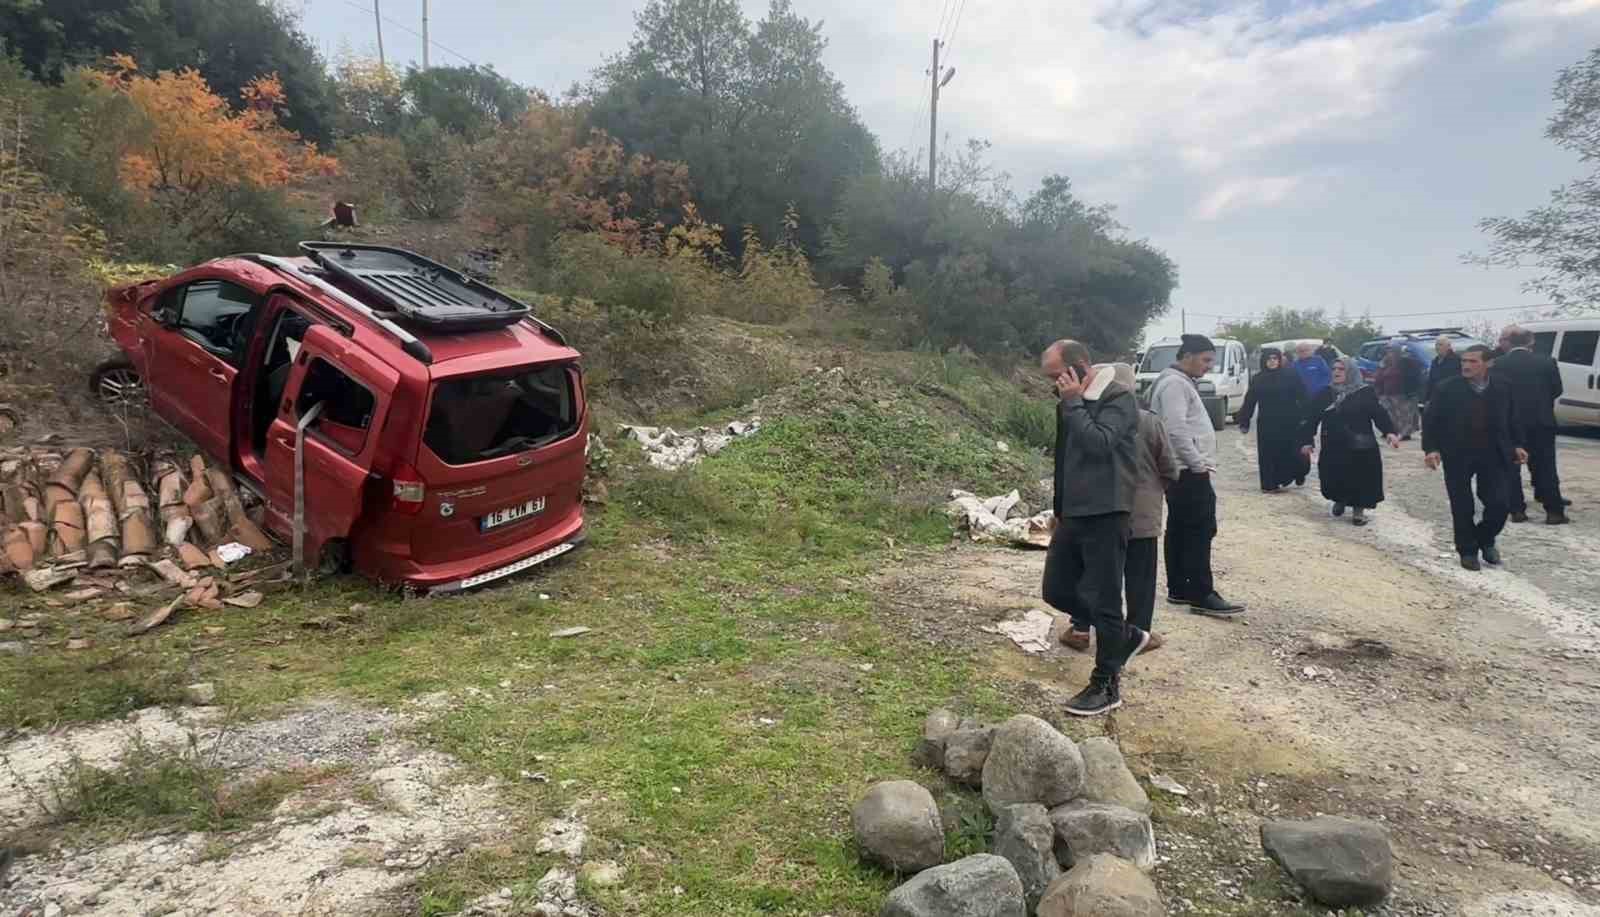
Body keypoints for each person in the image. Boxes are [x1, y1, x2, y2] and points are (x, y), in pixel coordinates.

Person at [1039, 341, 1151, 716]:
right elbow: (1065, 460)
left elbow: (1099, 443)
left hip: (1107, 511)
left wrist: (1073, 402)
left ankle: (1106, 685)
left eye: (1058, 376)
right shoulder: (1067, 403)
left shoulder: (1118, 398)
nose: (1054, 384)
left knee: (1104, 601)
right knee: (1055, 589)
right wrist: (1059, 509)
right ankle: (1126, 634)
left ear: (1080, 367)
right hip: (1073, 514)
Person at [1062, 364, 1179, 655]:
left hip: (1098, 515)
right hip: (1141, 517)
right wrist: (1152, 491)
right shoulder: (1150, 422)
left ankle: (1080, 628)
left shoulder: (1085, 420)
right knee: (1140, 579)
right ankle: (1136, 635)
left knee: (1093, 576)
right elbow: (1170, 469)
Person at [1149, 334, 1246, 616]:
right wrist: (1198, 464)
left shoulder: (1175, 382)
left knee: (1181, 528)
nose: (1208, 366)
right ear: (1187, 355)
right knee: (1200, 530)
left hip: (1182, 470)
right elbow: (1176, 429)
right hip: (1188, 470)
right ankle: (1201, 593)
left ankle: (1179, 588)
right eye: (1205, 360)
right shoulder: (1175, 385)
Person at [1422, 345, 1528, 571]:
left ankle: (1485, 539)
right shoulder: (1447, 388)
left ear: (1488, 363)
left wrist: (1518, 444)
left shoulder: (1503, 386)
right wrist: (1430, 448)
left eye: (1473, 361)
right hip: (1458, 452)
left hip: (1494, 451)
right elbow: (1431, 419)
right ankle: (1467, 550)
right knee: (1462, 505)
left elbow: (1513, 417)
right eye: (1464, 361)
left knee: (1500, 503)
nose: (1466, 366)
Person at [1300, 358, 1401, 526]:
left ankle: (1358, 511)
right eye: (1334, 368)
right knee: (1334, 475)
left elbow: (1378, 413)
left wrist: (1389, 431)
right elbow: (1311, 418)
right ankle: (1340, 500)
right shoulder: (1326, 393)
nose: (1336, 372)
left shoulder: (1365, 392)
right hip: (1333, 444)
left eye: (1341, 369)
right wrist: (1306, 440)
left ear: (1351, 372)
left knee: (1360, 477)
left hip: (1360, 445)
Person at [1493, 326, 1571, 525]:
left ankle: (1517, 510)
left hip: (1510, 423)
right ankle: (1554, 512)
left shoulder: (1499, 364)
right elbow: (1557, 389)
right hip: (1541, 422)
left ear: (1509, 342)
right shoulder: (1547, 362)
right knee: (1546, 467)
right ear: (1530, 342)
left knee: (1511, 467)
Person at [1238, 347, 1307, 492]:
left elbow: (1303, 396)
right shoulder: (1258, 379)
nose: (1272, 362)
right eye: (1269, 359)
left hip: (1289, 420)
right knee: (1267, 453)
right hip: (1267, 422)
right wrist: (1244, 420)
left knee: (1290, 452)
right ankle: (1269, 484)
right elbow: (1250, 400)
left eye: (1275, 358)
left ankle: (1296, 473)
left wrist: (1306, 417)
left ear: (1280, 360)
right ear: (1264, 361)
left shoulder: (1291, 375)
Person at [1374, 342, 1422, 441]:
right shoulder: (1385, 363)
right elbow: (1378, 377)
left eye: (1391, 350)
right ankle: (1391, 431)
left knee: (1404, 415)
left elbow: (1412, 376)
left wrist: (1411, 391)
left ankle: (1405, 433)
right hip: (1387, 393)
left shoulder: (1405, 362)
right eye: (1387, 350)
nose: (1388, 353)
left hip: (1402, 393)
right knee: (1390, 414)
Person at [1426, 336, 1461, 405]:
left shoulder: (1457, 360)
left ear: (1448, 346)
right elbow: (1430, 381)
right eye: (1436, 345)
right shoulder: (1434, 361)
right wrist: (1427, 399)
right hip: (1435, 399)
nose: (1437, 347)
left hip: (1452, 399)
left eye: (1440, 345)